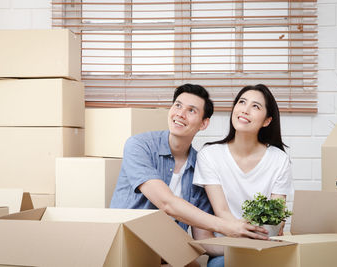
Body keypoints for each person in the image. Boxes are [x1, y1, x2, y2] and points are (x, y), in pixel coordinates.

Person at [110, 84, 268, 264]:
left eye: (191, 110)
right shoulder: (139, 146)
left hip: (166, 253)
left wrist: (251, 242)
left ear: (204, 123)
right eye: (177, 105)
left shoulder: (200, 167)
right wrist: (228, 226)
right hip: (128, 249)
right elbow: (167, 203)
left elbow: (203, 240)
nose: (180, 114)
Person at [193, 84, 293, 267]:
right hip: (227, 246)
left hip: (264, 244)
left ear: (267, 120)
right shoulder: (209, 155)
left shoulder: (279, 160)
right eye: (242, 102)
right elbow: (222, 211)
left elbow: (275, 216)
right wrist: (251, 235)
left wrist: (264, 233)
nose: (245, 110)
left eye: (255, 106)